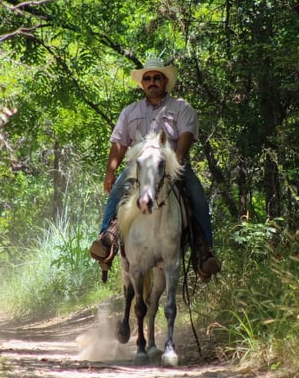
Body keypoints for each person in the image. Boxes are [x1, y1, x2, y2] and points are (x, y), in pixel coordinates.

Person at [89, 56, 221, 281]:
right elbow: (120, 143)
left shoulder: (181, 108)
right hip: (139, 168)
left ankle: (204, 251)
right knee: (117, 193)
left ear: (165, 81)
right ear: (142, 83)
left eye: (156, 78)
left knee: (198, 198)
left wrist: (175, 163)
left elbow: (186, 137)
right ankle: (107, 240)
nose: (152, 82)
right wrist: (110, 171)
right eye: (147, 78)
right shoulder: (129, 112)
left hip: (173, 165)